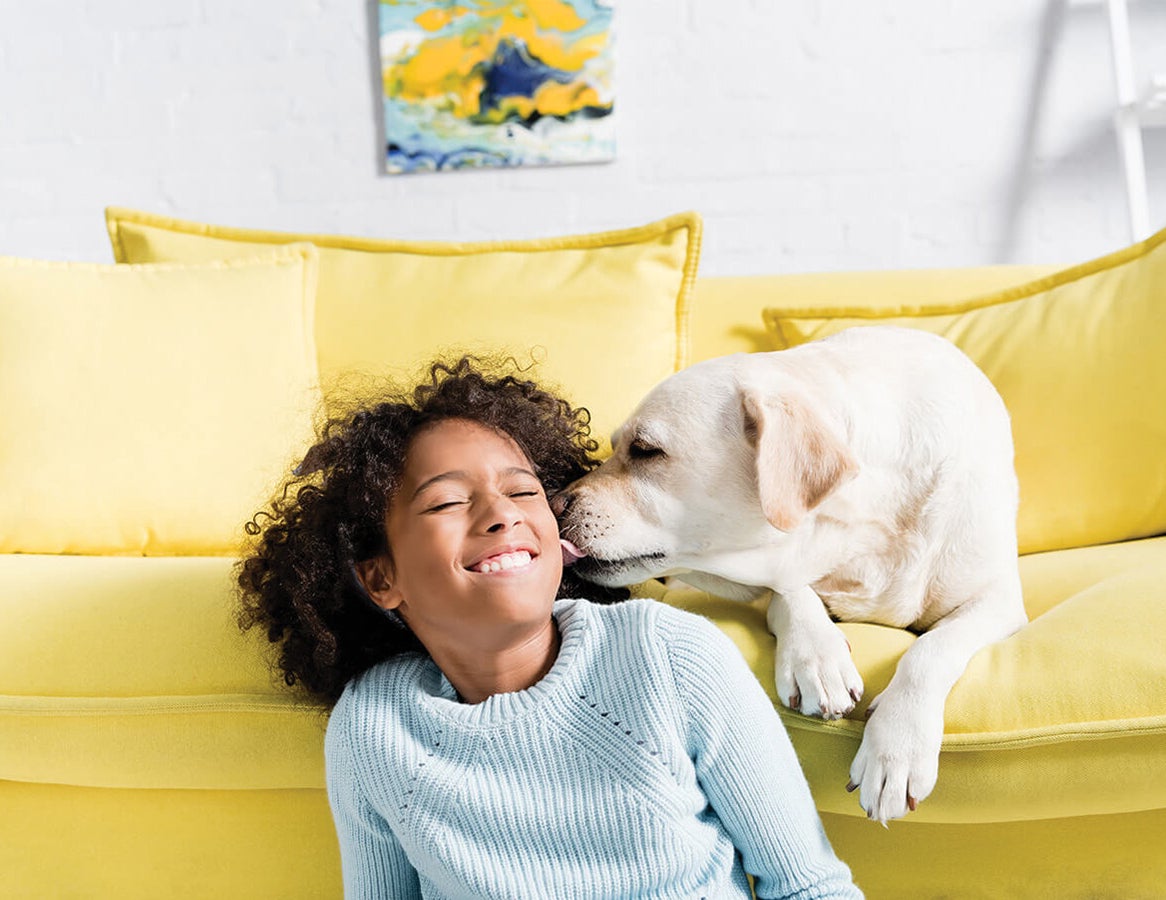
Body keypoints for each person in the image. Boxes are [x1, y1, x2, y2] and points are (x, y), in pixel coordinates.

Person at [237, 356, 862, 899]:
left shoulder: (670, 657)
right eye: (448, 502)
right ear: (380, 580)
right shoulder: (375, 728)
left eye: (524, 491)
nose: (501, 514)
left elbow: (808, 886)